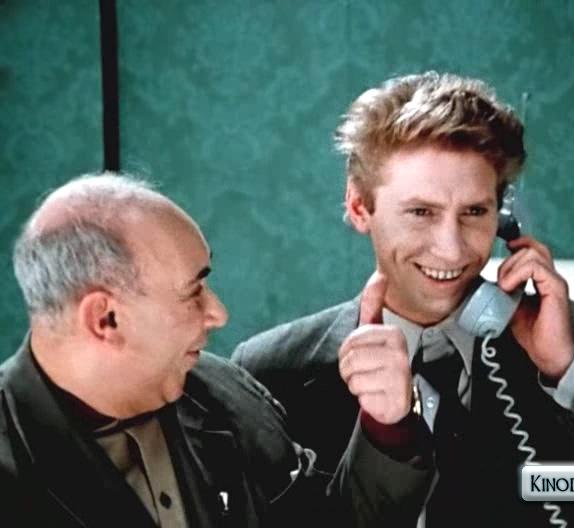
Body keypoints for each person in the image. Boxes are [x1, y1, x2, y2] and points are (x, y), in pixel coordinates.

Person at [233, 72, 574, 527]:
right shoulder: (271, 372)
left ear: (503, 218)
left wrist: (567, 377)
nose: (452, 249)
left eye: (475, 212)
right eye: (421, 212)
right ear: (359, 207)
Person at [0, 174, 433, 527]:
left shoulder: (226, 392)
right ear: (105, 319)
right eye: (194, 291)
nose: (218, 313)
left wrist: (386, 426)